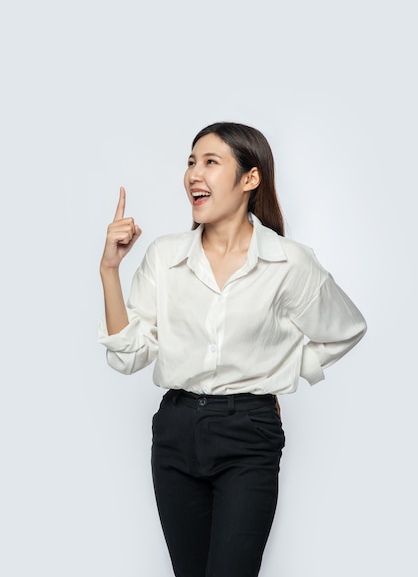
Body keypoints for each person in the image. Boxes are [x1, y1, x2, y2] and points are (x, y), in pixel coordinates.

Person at [98, 122, 367, 577]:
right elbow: (128, 357)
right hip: (175, 430)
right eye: (190, 161)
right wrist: (109, 270)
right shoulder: (165, 257)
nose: (193, 175)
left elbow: (346, 329)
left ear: (250, 178)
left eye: (210, 162)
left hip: (249, 433)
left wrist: (285, 365)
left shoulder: (288, 262)